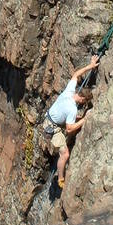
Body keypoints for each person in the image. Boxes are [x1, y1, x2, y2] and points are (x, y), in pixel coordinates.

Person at [43, 55, 100, 189]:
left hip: (50, 119)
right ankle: (61, 178)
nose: (83, 104)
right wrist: (85, 119)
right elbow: (69, 129)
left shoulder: (70, 91)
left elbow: (75, 75)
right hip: (53, 129)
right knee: (65, 153)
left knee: (76, 121)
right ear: (82, 100)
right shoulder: (72, 109)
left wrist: (90, 66)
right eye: (84, 102)